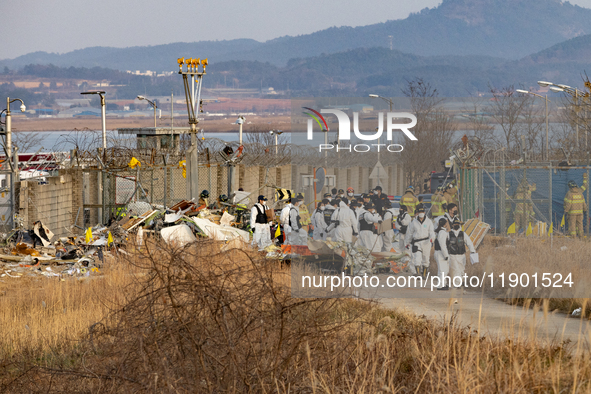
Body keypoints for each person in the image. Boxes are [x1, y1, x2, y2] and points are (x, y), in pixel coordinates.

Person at [405, 204, 435, 279]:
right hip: (417, 242)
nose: (421, 213)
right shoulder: (414, 222)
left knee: (426, 259)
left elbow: (431, 232)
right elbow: (410, 233)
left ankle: (424, 274)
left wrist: (432, 238)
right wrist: (407, 242)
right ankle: (418, 273)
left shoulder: (429, 222)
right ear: (417, 213)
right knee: (417, 258)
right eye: (420, 212)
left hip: (426, 242)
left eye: (422, 211)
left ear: (424, 212)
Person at [447, 217, 476, 287]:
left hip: (461, 255)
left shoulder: (463, 234)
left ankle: (461, 281)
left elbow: (469, 243)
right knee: (455, 269)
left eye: (457, 224)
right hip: (452, 255)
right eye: (455, 224)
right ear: (452, 225)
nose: (456, 225)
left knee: (461, 269)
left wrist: (473, 252)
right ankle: (457, 283)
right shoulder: (448, 234)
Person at [433, 218, 450, 290]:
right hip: (441, 253)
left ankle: (444, 283)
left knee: (442, 270)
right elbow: (443, 245)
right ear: (445, 224)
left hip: (438, 252)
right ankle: (440, 285)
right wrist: (446, 255)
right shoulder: (443, 233)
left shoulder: (439, 231)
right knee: (443, 270)